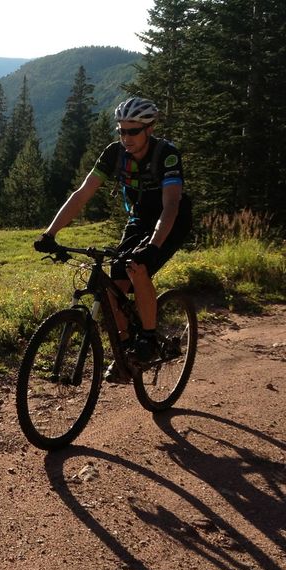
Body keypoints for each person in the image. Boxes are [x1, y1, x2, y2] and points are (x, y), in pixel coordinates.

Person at [34, 97, 192, 383]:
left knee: (137, 266)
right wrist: (50, 233)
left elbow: (171, 205)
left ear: (149, 128)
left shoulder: (166, 154)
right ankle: (127, 348)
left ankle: (147, 338)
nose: (126, 138)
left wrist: (153, 247)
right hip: (140, 217)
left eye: (133, 131)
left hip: (172, 220)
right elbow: (82, 194)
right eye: (121, 130)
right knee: (110, 286)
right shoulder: (114, 154)